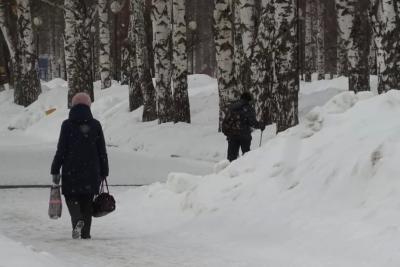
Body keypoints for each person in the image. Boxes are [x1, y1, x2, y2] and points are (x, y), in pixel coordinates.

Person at [51, 92, 109, 239]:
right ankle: (86, 234)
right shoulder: (95, 125)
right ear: (89, 105)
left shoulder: (67, 125)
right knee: (87, 202)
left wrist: (55, 168)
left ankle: (77, 220)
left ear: (73, 105)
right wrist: (104, 170)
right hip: (91, 170)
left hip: (71, 170)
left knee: (72, 198)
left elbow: (61, 149)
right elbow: (102, 150)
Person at [222, 92, 265, 162]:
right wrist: (261, 125)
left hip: (232, 135)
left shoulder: (232, 107)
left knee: (231, 158)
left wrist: (227, 133)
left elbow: (226, 120)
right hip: (244, 136)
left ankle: (229, 171)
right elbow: (253, 123)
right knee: (246, 157)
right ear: (249, 99)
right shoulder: (248, 108)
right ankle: (245, 171)